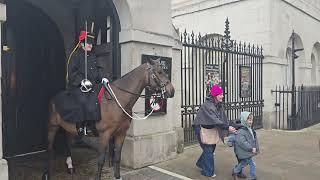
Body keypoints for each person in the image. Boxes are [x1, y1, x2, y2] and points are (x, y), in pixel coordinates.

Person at [193, 84, 237, 178]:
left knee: (210, 149)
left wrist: (230, 126)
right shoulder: (207, 106)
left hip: (211, 130)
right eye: (220, 94)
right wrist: (227, 127)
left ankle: (201, 163)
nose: (222, 96)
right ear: (215, 95)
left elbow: (223, 118)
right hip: (201, 129)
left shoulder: (218, 105)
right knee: (208, 150)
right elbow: (215, 120)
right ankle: (208, 172)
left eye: (222, 94)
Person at [66, 30, 103, 136]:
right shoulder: (76, 55)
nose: (91, 45)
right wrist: (82, 81)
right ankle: (81, 126)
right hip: (78, 86)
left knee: (100, 98)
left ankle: (93, 124)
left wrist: (103, 78)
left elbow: (98, 70)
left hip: (91, 85)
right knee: (83, 99)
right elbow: (72, 72)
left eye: (91, 43)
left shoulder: (93, 56)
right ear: (82, 44)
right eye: (88, 43)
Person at [232, 111, 260, 180]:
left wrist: (255, 147)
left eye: (252, 120)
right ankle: (252, 177)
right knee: (252, 164)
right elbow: (242, 142)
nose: (251, 122)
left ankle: (235, 171)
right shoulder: (241, 131)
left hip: (247, 151)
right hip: (244, 151)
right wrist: (251, 148)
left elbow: (253, 139)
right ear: (244, 120)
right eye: (249, 120)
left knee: (243, 163)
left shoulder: (249, 128)